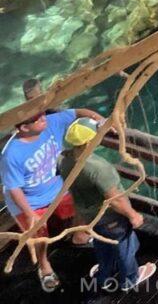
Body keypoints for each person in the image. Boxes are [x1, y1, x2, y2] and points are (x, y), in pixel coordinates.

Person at [1, 105, 103, 291]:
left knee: (84, 202)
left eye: (42, 114)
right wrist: (30, 214)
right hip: (29, 201)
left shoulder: (51, 122)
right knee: (39, 236)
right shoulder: (11, 155)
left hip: (58, 188)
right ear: (24, 127)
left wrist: (101, 121)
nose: (43, 117)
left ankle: (79, 236)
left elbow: (78, 112)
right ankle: (43, 264)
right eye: (37, 118)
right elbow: (14, 189)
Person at [58, 117, 157, 291]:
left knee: (102, 245)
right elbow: (115, 200)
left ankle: (105, 275)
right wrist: (133, 215)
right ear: (90, 142)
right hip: (110, 218)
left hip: (90, 217)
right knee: (123, 247)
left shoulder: (63, 160)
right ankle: (130, 280)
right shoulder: (98, 168)